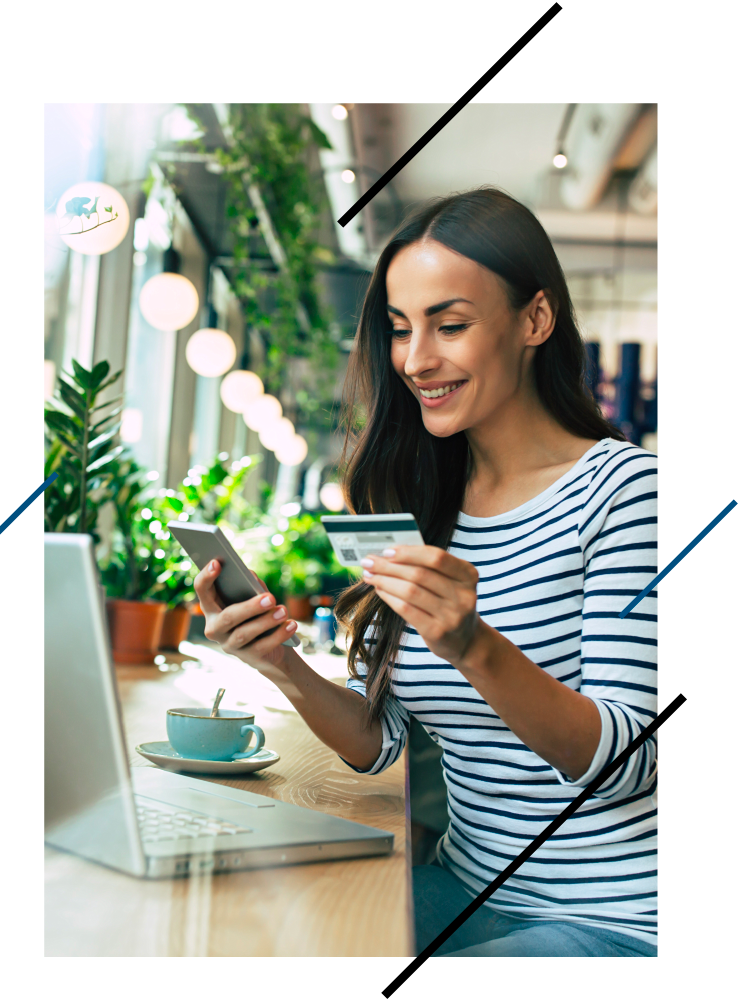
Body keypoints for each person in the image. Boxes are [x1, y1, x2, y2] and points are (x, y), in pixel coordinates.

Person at [193, 187, 658, 958]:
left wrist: (475, 647)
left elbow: (626, 761)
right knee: (257, 923)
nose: (415, 360)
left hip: (611, 922)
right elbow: (382, 741)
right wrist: (281, 667)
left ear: (535, 321)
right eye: (401, 329)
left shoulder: (625, 492)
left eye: (451, 325)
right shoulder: (429, 500)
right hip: (466, 888)